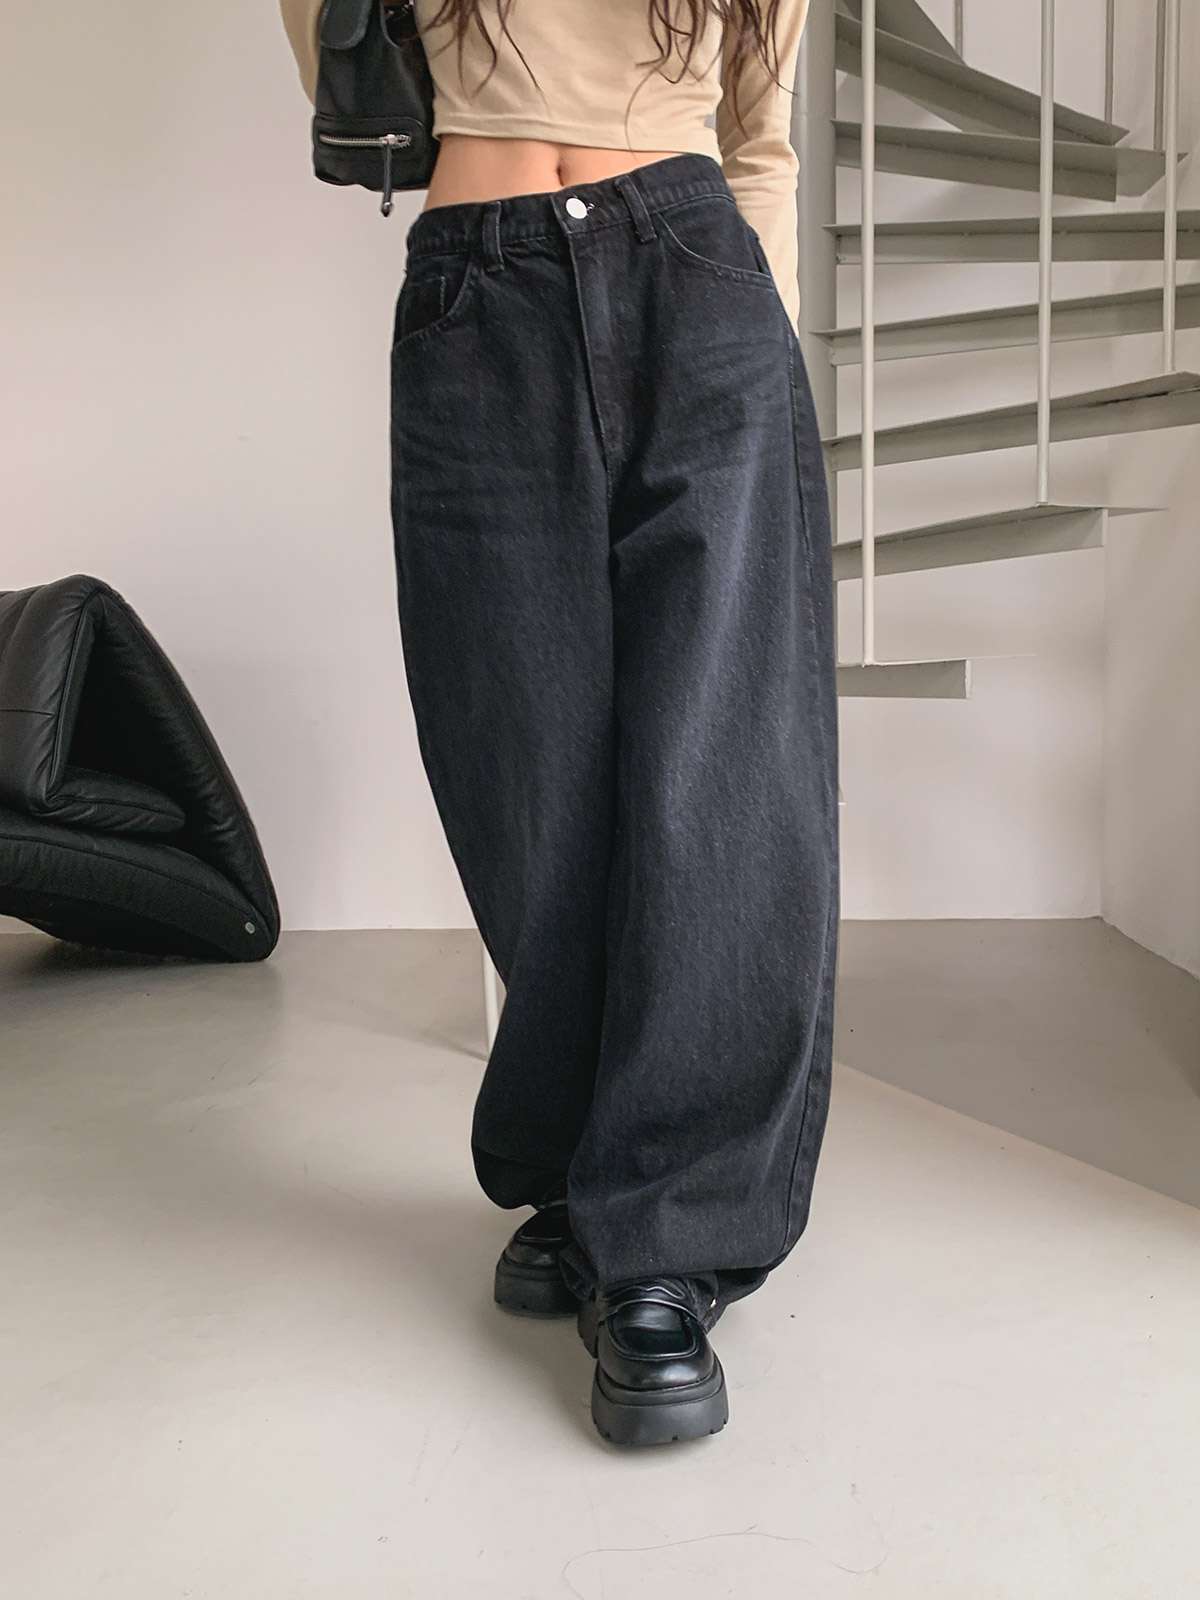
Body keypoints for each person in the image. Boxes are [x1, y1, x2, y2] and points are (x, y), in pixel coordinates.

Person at [280, 0, 838, 1448]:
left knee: (715, 778)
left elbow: (762, 133)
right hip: (477, 290)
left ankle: (663, 1243)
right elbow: (339, 59)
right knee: (519, 758)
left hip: (698, 280)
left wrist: (760, 359)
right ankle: (591, 1166)